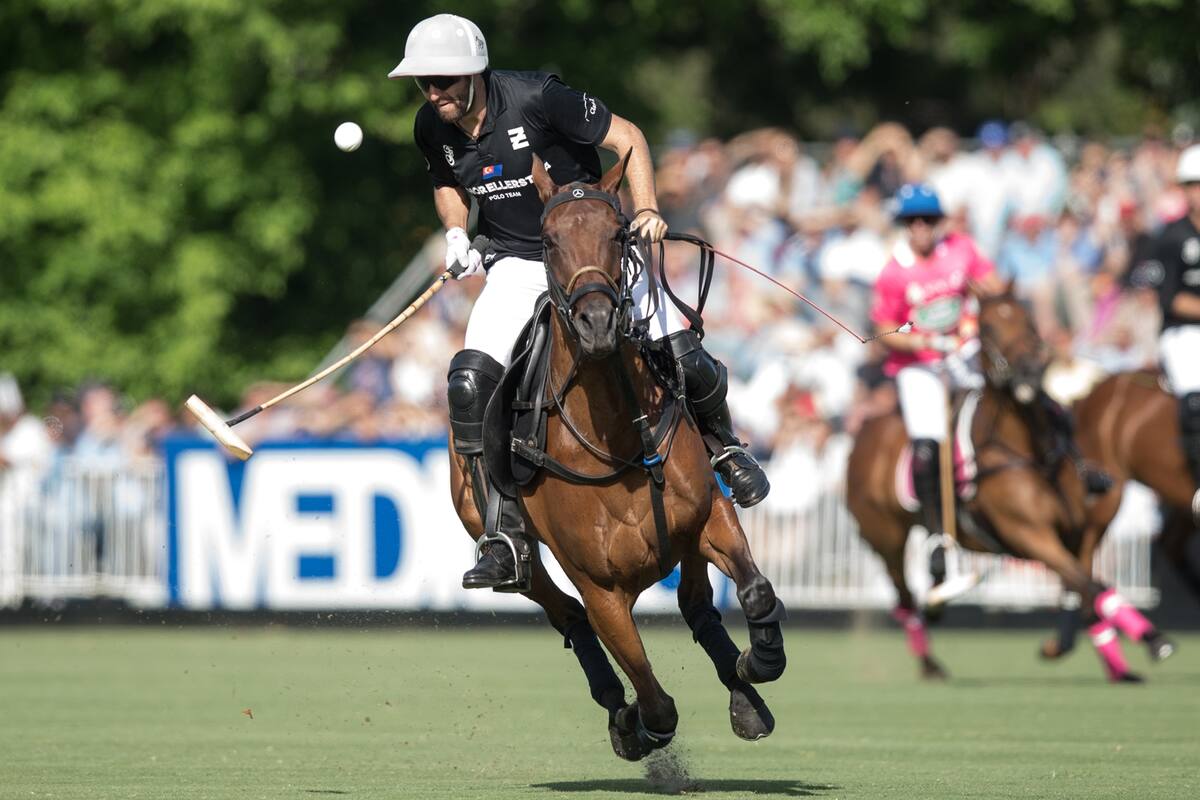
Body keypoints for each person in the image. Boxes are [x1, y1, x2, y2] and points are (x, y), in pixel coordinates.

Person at [389, 14, 769, 590]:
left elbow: (630, 139)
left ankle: (725, 449)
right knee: (469, 384)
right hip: (518, 265)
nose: (434, 93)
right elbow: (446, 182)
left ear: (473, 72)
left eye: (444, 80)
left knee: (682, 351)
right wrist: (456, 234)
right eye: (425, 83)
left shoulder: (539, 97)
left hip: (593, 254)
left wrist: (645, 209)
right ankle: (503, 534)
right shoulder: (431, 125)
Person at [871, 185, 1107, 583]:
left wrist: (978, 322)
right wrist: (925, 341)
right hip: (919, 366)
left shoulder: (961, 249)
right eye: (913, 221)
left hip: (968, 352)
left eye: (929, 219)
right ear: (904, 225)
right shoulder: (894, 271)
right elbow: (883, 329)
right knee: (927, 441)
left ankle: (1082, 468)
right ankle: (935, 535)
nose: (921, 227)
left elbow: (993, 290)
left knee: (1028, 393)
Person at [1138, 143, 1200, 519]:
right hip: (1185, 334)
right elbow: (1168, 297)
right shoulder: (1171, 236)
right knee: (1195, 401)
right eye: (1195, 185)